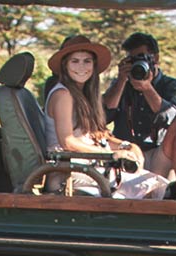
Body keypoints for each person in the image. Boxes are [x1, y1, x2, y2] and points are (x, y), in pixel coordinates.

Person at [43, 33, 148, 195]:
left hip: (88, 168)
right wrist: (110, 154)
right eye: (75, 61)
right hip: (67, 173)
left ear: (94, 65)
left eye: (87, 61)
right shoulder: (62, 94)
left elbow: (98, 136)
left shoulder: (83, 94)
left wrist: (126, 146)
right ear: (65, 65)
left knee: (151, 182)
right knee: (146, 187)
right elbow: (67, 142)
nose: (81, 67)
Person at [103, 32, 176, 199]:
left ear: (156, 58)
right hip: (127, 153)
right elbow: (103, 116)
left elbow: (173, 117)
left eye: (142, 58)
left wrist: (147, 89)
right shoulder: (121, 85)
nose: (138, 64)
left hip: (158, 154)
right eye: (133, 60)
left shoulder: (171, 85)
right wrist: (121, 81)